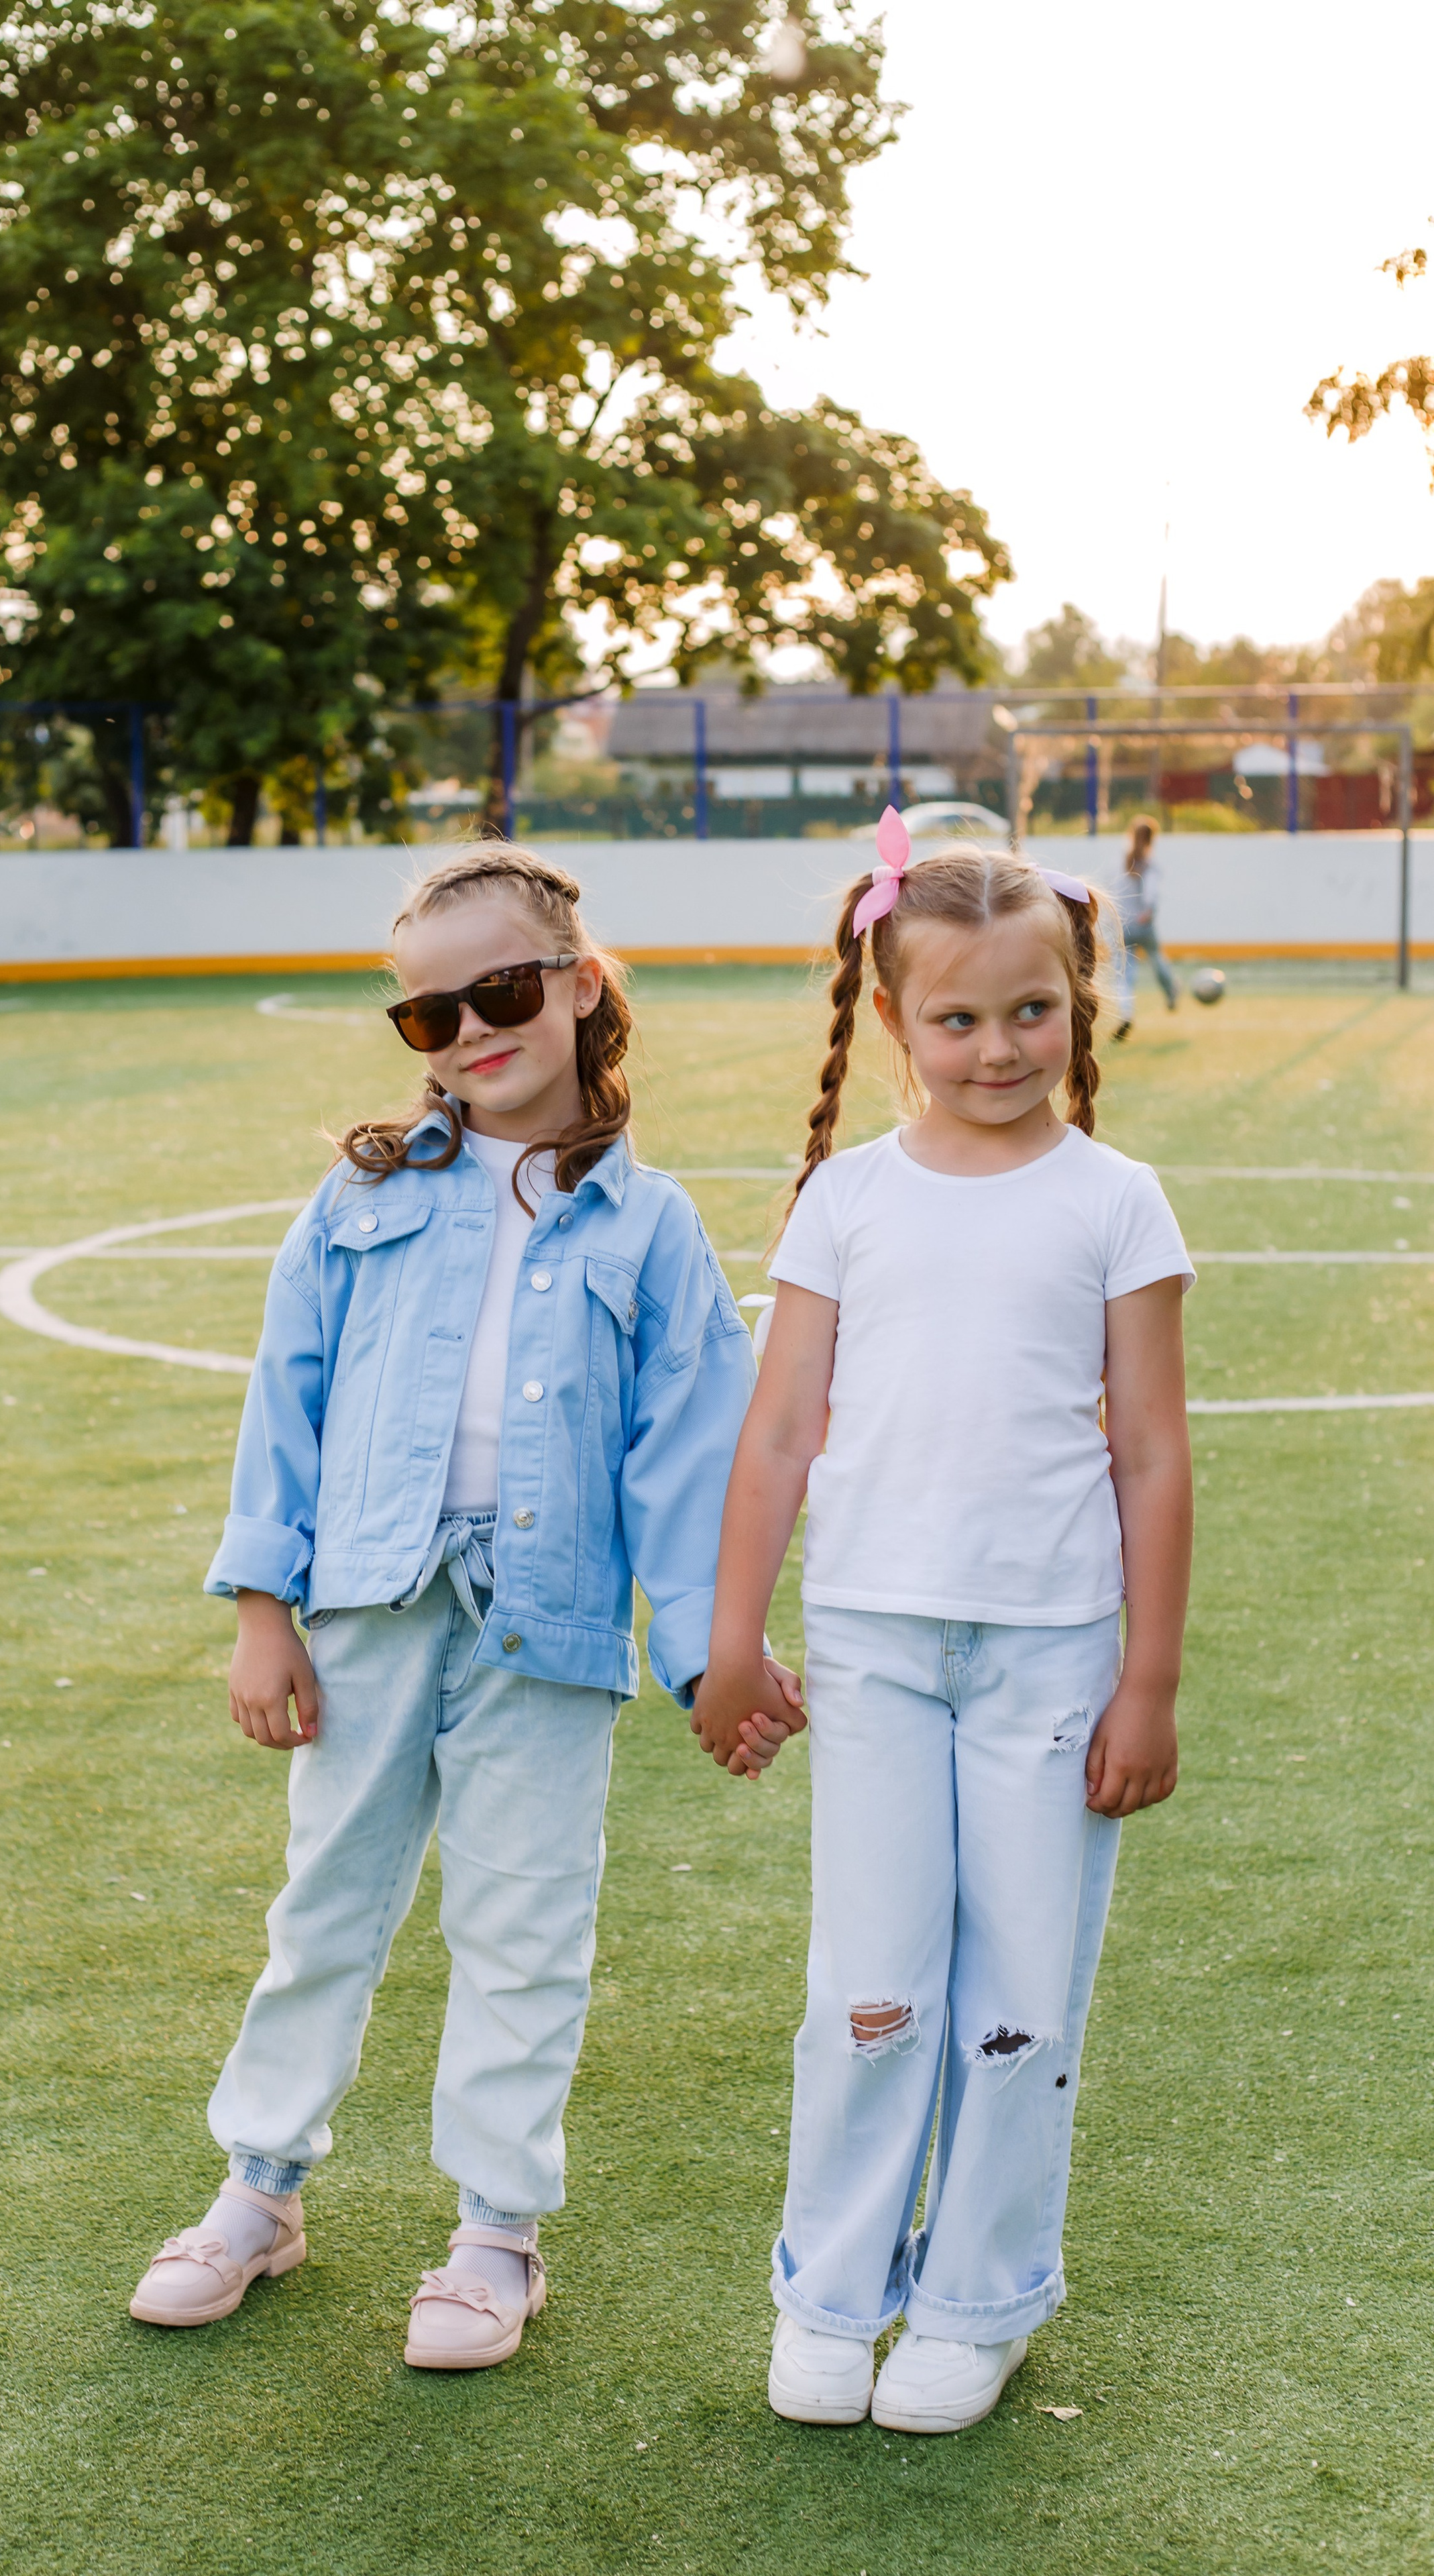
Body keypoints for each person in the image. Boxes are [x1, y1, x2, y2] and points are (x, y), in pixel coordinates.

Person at [130, 844, 800, 2369]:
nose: (468, 1031)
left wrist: (716, 1653)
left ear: (577, 988)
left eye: (497, 991)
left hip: (547, 1628)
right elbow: (283, 1400)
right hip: (367, 1603)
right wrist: (262, 1602)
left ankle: (495, 2231)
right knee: (324, 1909)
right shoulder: (359, 1200)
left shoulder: (649, 1228)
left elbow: (694, 1460)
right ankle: (260, 2190)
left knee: (521, 1925)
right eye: (426, 1015)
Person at [691, 810, 1194, 2436]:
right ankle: (832, 2294)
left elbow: (1150, 1452)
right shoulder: (842, 1199)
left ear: (1076, 998)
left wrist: (1146, 1681)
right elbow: (775, 1436)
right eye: (958, 1016)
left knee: (1018, 1997)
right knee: (869, 1980)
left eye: (1028, 1008)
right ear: (894, 1018)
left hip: (1052, 1659)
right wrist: (729, 1635)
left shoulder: (1117, 1201)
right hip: (873, 1654)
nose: (997, 1045)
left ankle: (974, 2303)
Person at [1115, 814, 1178, 1034]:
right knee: (1156, 956)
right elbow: (1151, 892)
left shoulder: (1124, 861)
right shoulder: (1151, 864)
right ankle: (1171, 992)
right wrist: (1148, 911)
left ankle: (1125, 1012)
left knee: (1124, 972)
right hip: (1143, 922)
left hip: (1125, 924)